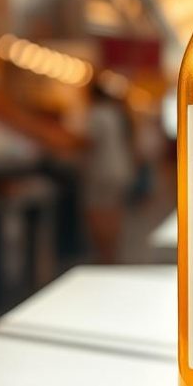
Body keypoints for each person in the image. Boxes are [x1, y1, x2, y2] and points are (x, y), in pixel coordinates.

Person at [81, 82, 136, 263]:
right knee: (114, 210)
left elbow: (89, 141)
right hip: (121, 167)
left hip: (102, 170)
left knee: (98, 211)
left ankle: (104, 254)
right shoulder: (115, 113)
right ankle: (112, 253)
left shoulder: (96, 114)